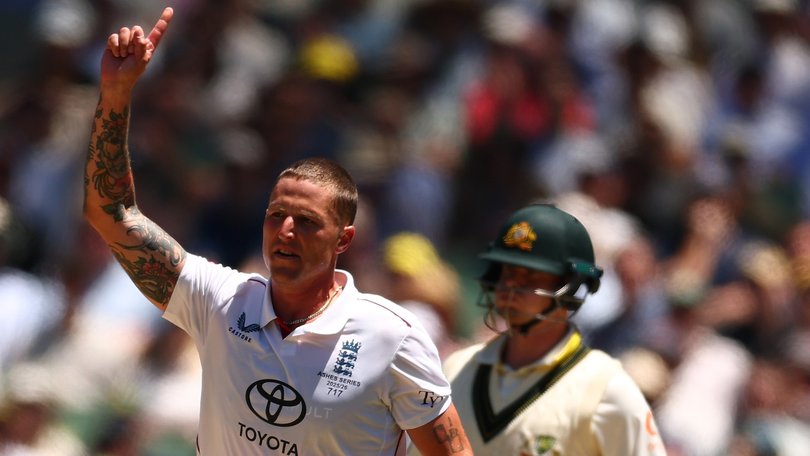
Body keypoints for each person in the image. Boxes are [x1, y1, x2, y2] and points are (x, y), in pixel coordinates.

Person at [82, 7, 472, 455]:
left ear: (343, 240)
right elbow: (110, 213)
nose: (286, 231)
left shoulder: (391, 336)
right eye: (276, 215)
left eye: (307, 222)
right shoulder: (219, 301)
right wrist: (116, 93)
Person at [424, 203, 668, 455]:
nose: (510, 287)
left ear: (570, 286)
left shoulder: (607, 388)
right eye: (505, 272)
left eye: (530, 277)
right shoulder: (455, 369)